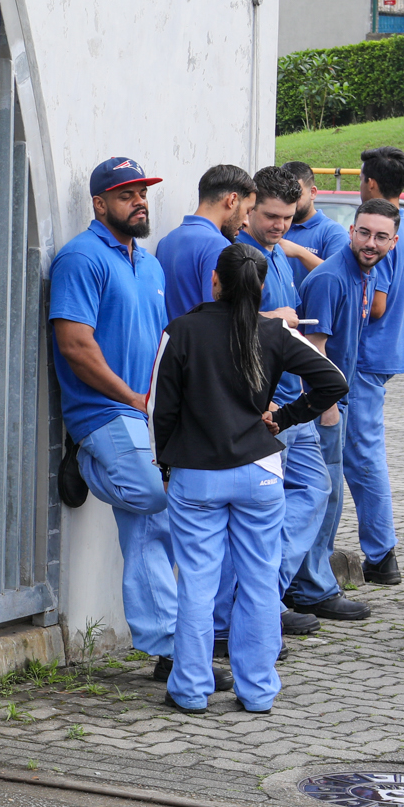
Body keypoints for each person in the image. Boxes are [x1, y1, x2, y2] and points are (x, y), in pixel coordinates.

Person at [152, 241, 348, 714]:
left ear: (214, 281)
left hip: (196, 474)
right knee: (260, 581)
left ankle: (191, 690)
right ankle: (258, 691)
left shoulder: (180, 331)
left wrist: (164, 463)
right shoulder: (275, 333)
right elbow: (334, 381)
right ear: (261, 287)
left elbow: (161, 408)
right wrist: (286, 418)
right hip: (260, 472)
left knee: (197, 582)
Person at [51, 157, 195, 681]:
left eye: (143, 192)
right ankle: (88, 461)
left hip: (147, 415)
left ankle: (170, 651)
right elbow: (74, 345)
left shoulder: (150, 264)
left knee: (150, 522)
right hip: (104, 410)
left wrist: (165, 401)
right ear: (99, 203)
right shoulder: (81, 258)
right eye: (126, 193)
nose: (139, 201)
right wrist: (131, 396)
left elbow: (163, 342)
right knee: (156, 500)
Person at [235, 165, 369, 631]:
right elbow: (225, 322)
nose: (278, 225)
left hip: (297, 403)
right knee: (273, 507)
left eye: (288, 218)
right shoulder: (240, 255)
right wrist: (276, 318)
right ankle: (260, 602)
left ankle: (268, 591)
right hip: (268, 407)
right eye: (270, 216)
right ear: (250, 206)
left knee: (316, 491)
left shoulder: (275, 252)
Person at [293, 200, 395, 623]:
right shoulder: (332, 278)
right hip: (323, 405)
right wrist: (329, 406)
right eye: (364, 233)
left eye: (380, 236)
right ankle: (310, 588)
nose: (370, 243)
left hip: (341, 399)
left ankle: (314, 582)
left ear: (393, 240)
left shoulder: (364, 274)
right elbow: (313, 349)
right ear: (350, 231)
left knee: (330, 498)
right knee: (323, 495)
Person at [341, 145, 404, 588]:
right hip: (384, 356)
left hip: (367, 357)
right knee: (361, 452)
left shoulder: (380, 233)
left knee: (362, 455)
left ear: (370, 183)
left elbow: (376, 305)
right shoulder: (402, 225)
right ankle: (380, 550)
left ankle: (382, 553)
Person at [156, 165, 255, 320]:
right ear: (232, 200)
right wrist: (272, 318)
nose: (246, 221)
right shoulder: (218, 246)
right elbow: (220, 316)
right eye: (247, 211)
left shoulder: (167, 241)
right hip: (202, 342)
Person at [277, 161, 337, 278]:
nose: (290, 201)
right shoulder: (274, 226)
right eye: (285, 194)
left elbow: (339, 277)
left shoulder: (332, 232)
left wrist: (300, 253)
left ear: (313, 192)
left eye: (297, 195)